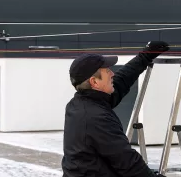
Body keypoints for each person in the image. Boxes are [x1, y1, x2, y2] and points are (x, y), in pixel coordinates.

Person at [61, 41, 170, 177]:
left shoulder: (82, 103)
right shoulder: (96, 117)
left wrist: (145, 56)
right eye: (107, 71)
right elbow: (128, 163)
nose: (112, 73)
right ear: (94, 82)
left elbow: (122, 79)